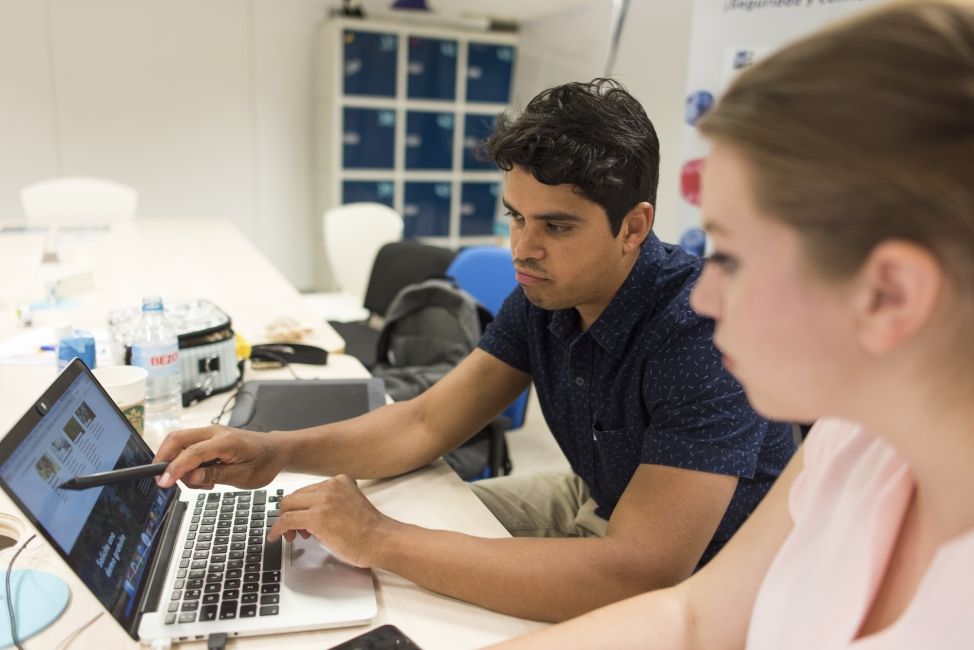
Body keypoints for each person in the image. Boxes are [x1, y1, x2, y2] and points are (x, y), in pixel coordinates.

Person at [153, 78, 793, 622]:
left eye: (556, 226)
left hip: (711, 579)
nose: (523, 247)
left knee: (384, 554)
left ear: (634, 227)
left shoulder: (700, 333)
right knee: (344, 542)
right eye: (516, 216)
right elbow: (426, 421)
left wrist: (380, 538)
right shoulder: (545, 295)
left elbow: (637, 572)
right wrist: (275, 452)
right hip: (602, 497)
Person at [491, 1, 974, 646]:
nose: (708, 295)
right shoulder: (850, 441)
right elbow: (690, 617)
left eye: (733, 257)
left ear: (891, 293)